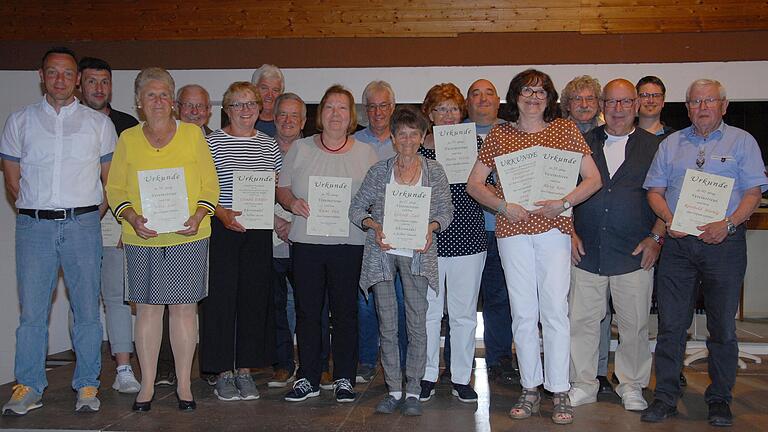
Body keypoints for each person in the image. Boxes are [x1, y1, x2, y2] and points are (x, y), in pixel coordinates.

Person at [467, 69, 601, 424]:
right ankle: (530, 387)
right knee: (523, 312)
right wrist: (501, 205)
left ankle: (559, 390)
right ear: (515, 96)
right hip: (513, 230)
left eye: (541, 91)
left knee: (555, 310)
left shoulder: (565, 130)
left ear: (550, 98)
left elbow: (593, 179)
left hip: (554, 229)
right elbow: (474, 185)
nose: (534, 96)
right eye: (526, 90)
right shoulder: (500, 134)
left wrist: (565, 202)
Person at [641, 79, 767, 427]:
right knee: (671, 325)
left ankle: (720, 399)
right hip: (679, 246)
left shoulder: (742, 141)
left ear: (723, 105)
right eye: (695, 101)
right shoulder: (671, 144)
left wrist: (727, 224)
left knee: (723, 327)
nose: (702, 107)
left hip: (724, 246)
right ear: (687, 107)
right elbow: (655, 190)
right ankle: (665, 395)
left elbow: (753, 193)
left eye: (709, 100)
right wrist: (669, 219)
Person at [0, 47, 117, 416]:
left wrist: (85, 215)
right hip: (34, 227)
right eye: (53, 73)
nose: (61, 80)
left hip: (83, 225)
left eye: (68, 74)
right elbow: (13, 181)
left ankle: (86, 384)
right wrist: (40, 211)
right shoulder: (19, 121)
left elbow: (109, 183)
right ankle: (28, 385)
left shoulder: (99, 125)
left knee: (86, 311)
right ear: (41, 75)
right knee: (32, 314)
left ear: (77, 79)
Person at [106, 67, 219, 412]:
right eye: (150, 95)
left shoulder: (192, 135)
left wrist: (199, 213)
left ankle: (185, 385)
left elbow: (209, 185)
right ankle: (148, 385)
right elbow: (115, 189)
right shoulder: (128, 139)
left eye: (164, 94)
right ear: (139, 102)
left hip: (188, 235)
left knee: (184, 310)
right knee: (148, 313)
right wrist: (131, 217)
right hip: (143, 238)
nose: (158, 101)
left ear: (173, 101)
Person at [277, 84, 378, 403]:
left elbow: (376, 197)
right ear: (321, 114)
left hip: (350, 244)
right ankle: (308, 376)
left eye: (343, 108)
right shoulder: (301, 148)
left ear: (351, 116)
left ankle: (345, 377)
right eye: (330, 107)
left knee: (346, 312)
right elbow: (282, 188)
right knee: (308, 312)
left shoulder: (366, 152)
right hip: (307, 243)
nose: (336, 114)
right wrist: (292, 203)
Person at [568, 79, 664, 412]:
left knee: (633, 325)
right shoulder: (581, 142)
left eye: (625, 102)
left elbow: (669, 196)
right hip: (586, 252)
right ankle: (582, 383)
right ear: (602, 106)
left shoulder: (654, 147)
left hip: (634, 253)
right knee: (581, 322)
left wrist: (656, 236)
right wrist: (569, 232)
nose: (618, 109)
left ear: (636, 105)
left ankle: (632, 384)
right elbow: (562, 190)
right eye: (612, 102)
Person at [350, 105, 453, 416]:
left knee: (418, 324)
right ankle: (393, 389)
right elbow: (356, 209)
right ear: (393, 138)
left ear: (422, 137)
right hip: (382, 253)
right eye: (402, 134)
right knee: (388, 325)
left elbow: (445, 212)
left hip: (418, 255)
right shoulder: (379, 171)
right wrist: (375, 226)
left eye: (414, 134)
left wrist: (430, 228)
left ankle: (413, 390)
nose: (408, 140)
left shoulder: (434, 171)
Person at [200, 81, 281, 401]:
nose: (246, 110)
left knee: (253, 299)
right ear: (227, 110)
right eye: (238, 104)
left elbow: (273, 187)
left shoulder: (269, 145)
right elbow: (204, 188)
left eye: (251, 104)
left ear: (260, 108)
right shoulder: (213, 142)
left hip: (258, 232)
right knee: (220, 301)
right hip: (223, 228)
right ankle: (222, 371)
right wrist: (221, 213)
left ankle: (245, 370)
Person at [418, 83, 486, 403]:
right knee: (429, 312)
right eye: (440, 109)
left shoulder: (477, 144)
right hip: (428, 240)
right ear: (429, 113)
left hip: (469, 238)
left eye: (453, 109)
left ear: (462, 113)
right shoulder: (416, 148)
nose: (447, 115)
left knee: (463, 314)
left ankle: (461, 377)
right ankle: (428, 374)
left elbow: (493, 185)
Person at [78, 56, 141, 394]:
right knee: (82, 299)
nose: (99, 88)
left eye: (105, 81)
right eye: (92, 81)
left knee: (116, 298)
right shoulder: (69, 123)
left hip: (117, 224)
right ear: (79, 84)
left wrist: (127, 222)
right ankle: (84, 373)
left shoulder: (128, 124)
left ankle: (123, 369)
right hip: (78, 224)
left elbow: (139, 178)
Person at [562, 74, 614, 395]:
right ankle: (564, 370)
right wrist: (567, 230)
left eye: (590, 99)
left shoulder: (608, 137)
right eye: (577, 99)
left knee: (600, 309)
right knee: (565, 307)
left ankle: (597, 370)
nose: (583, 105)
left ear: (598, 104)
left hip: (600, 232)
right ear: (567, 104)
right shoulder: (556, 135)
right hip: (562, 231)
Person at [353, 80, 408, 383]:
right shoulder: (354, 142)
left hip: (402, 235)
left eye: (383, 105)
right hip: (365, 234)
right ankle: (365, 359)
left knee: (399, 300)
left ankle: (397, 361)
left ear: (393, 107)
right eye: (371, 106)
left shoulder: (404, 140)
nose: (377, 111)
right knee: (365, 301)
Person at [465, 78, 519, 385]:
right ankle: (459, 364)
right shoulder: (453, 135)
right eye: (476, 94)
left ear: (498, 100)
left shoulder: (513, 132)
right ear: (468, 102)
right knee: (461, 302)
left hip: (504, 228)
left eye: (489, 93)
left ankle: (499, 360)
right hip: (463, 230)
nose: (483, 99)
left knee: (500, 298)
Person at [268, 92, 306, 389]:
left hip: (306, 237)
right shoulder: (262, 149)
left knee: (312, 304)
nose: (288, 120)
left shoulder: (314, 150)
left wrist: (296, 224)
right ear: (274, 117)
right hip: (270, 237)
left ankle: (314, 364)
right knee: (278, 304)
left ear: (304, 120)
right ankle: (283, 364)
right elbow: (250, 192)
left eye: (295, 115)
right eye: (283, 114)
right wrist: (277, 221)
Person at [251, 64, 284, 137]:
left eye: (275, 90)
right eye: (264, 88)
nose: (269, 95)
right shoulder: (245, 121)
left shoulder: (286, 124)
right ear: (254, 89)